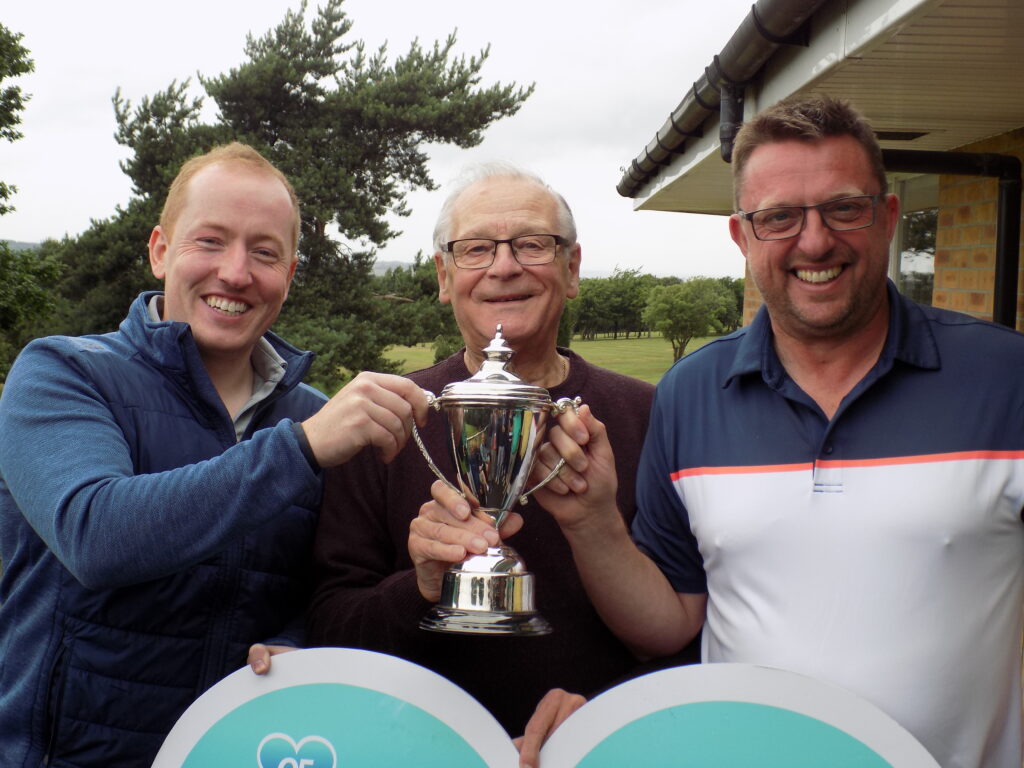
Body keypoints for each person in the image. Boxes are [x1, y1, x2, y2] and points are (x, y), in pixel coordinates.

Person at [423, 95, 1024, 768]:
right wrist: (593, 523)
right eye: (779, 218)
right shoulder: (691, 394)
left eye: (843, 208)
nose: (815, 240)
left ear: (887, 218)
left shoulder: (1007, 379)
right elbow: (670, 624)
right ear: (742, 237)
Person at [0, 142, 428, 767]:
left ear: (290, 273)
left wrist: (296, 642)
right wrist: (301, 450)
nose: (235, 272)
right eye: (210, 241)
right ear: (159, 250)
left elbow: (319, 586)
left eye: (264, 253)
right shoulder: (62, 373)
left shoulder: (309, 413)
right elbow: (96, 535)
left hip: (235, 754)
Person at [306, 164, 692, 741]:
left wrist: (603, 718)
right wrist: (420, 585)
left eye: (532, 245)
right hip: (417, 748)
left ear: (573, 269)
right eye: (476, 249)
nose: (504, 266)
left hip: (598, 749)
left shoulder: (652, 414)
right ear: (443, 275)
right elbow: (330, 629)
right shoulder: (385, 423)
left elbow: (689, 628)